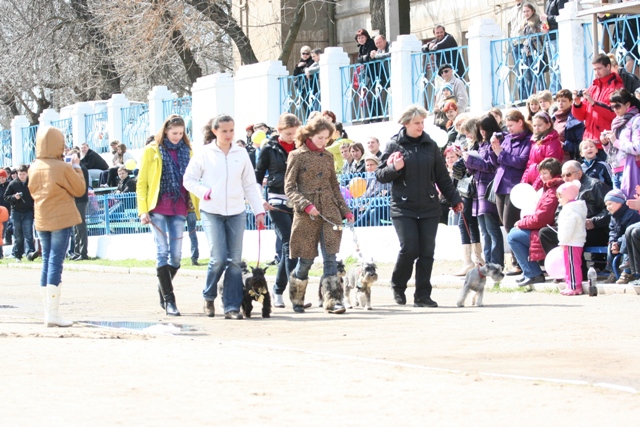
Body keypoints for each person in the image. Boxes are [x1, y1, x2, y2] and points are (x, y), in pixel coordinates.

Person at [376, 105, 463, 308]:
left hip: (429, 205)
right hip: (403, 206)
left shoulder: (430, 145)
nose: (421, 126)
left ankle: (423, 295)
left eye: (422, 122)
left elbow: (442, 176)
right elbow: (380, 175)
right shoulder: (394, 144)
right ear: (406, 123)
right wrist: (394, 168)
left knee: (427, 251)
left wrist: (455, 199)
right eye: (417, 123)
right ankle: (398, 285)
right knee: (409, 248)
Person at [184, 115, 265, 320]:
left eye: (231, 130)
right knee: (218, 258)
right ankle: (209, 296)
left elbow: (249, 184)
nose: (228, 135)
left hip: (237, 212)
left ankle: (231, 306)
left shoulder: (241, 153)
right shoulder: (204, 153)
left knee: (235, 261)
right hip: (212, 211)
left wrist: (258, 210)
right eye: (224, 131)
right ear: (215, 131)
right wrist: (204, 192)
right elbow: (188, 179)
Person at [285, 116, 354, 314]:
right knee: (306, 259)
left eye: (326, 138)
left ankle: (332, 300)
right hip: (306, 215)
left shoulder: (328, 157)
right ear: (309, 135)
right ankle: (297, 297)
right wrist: (305, 205)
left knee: (330, 257)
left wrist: (345, 210)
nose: (323, 142)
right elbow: (289, 188)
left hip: (329, 211)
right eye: (320, 138)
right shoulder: (296, 155)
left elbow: (334, 186)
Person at [137, 115, 199, 317]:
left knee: (177, 256)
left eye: (181, 133)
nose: (177, 136)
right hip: (158, 207)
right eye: (174, 133)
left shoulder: (188, 151)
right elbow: (142, 183)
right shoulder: (152, 150)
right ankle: (170, 301)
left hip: (180, 207)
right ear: (165, 131)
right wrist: (143, 210)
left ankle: (163, 286)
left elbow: (193, 179)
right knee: (162, 251)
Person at [27, 127, 86, 327]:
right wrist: (76, 167)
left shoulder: (33, 167)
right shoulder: (61, 167)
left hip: (41, 217)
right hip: (61, 217)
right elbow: (79, 189)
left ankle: (48, 311)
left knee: (46, 261)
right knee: (55, 261)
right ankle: (52, 313)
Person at [255, 113, 301, 309]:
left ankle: (277, 290)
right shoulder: (269, 148)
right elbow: (257, 175)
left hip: (298, 201)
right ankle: (294, 292)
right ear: (279, 130)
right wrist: (260, 200)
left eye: (295, 133)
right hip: (276, 201)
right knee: (289, 242)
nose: (292, 137)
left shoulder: (301, 147)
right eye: (288, 133)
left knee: (290, 247)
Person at [538, 160, 611, 274]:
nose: (565, 178)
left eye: (568, 174)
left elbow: (611, 209)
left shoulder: (595, 185)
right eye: (563, 175)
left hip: (596, 230)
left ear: (579, 173)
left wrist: (594, 222)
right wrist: (564, 224)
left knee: (573, 235)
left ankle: (578, 272)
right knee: (545, 233)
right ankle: (563, 270)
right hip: (574, 228)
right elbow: (558, 213)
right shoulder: (565, 189)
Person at [507, 158, 564, 287]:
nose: (542, 176)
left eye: (545, 173)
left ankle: (533, 273)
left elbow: (542, 218)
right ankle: (529, 272)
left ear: (554, 172)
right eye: (541, 173)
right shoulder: (549, 188)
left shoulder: (553, 190)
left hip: (549, 231)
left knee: (513, 237)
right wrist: (524, 221)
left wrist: (522, 223)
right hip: (545, 228)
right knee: (513, 232)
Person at [489, 109, 532, 276]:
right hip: (501, 184)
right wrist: (494, 148)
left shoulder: (527, 140)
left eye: (511, 125)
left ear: (520, 122)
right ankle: (517, 261)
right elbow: (496, 161)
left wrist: (501, 153)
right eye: (507, 126)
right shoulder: (507, 138)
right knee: (505, 224)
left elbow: (521, 162)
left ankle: (519, 262)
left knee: (510, 223)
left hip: (515, 186)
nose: (509, 129)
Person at [465, 114, 505, 268]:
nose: (482, 132)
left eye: (484, 129)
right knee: (484, 231)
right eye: (480, 129)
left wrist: (471, 161)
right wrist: (468, 161)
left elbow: (491, 166)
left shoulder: (494, 142)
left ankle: (496, 263)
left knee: (492, 229)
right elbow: (476, 169)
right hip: (478, 189)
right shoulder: (481, 144)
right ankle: (488, 262)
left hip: (488, 189)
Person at [572, 53, 624, 150]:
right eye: (595, 69)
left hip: (606, 142)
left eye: (599, 68)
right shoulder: (593, 87)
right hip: (589, 142)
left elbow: (615, 114)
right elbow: (581, 117)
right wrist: (577, 104)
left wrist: (593, 103)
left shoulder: (617, 87)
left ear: (608, 67)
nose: (597, 72)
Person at [453, 118, 484, 275]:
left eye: (468, 133)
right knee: (468, 222)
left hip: (472, 187)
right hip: (468, 187)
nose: (467, 136)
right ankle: (472, 259)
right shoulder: (472, 145)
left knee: (467, 222)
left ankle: (474, 260)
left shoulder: (478, 145)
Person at [600, 88, 640, 198]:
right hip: (615, 170)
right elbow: (614, 152)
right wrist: (606, 143)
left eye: (617, 106)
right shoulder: (616, 121)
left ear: (627, 104)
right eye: (612, 107)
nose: (615, 110)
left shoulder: (636, 120)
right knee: (617, 206)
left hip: (631, 169)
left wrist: (616, 141)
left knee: (630, 205)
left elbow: (637, 148)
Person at [555, 180, 587, 295]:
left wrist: (563, 240)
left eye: (561, 197)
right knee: (569, 264)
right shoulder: (573, 208)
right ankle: (570, 284)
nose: (559, 200)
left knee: (573, 265)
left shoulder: (570, 210)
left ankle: (575, 286)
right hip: (571, 241)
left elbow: (568, 227)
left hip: (572, 241)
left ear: (568, 196)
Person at [603, 189, 640, 284]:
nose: (608, 207)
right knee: (610, 245)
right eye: (606, 205)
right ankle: (613, 271)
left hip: (626, 240)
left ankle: (627, 272)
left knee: (627, 242)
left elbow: (628, 232)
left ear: (619, 203)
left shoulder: (631, 213)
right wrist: (613, 242)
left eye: (610, 204)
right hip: (619, 240)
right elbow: (612, 231)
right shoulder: (613, 216)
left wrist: (618, 243)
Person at [521, 112, 563, 191]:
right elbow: (529, 165)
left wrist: (535, 187)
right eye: (534, 125)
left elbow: (548, 168)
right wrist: (523, 183)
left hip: (545, 184)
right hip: (533, 181)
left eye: (539, 125)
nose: (536, 128)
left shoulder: (553, 142)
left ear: (548, 125)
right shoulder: (535, 141)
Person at [4, 164, 36, 262]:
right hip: (16, 211)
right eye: (20, 174)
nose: (22, 176)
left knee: (28, 233)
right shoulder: (13, 184)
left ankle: (30, 253)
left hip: (28, 211)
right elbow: (6, 197)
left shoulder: (31, 182)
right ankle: (17, 254)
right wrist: (14, 197)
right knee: (18, 234)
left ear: (27, 174)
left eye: (24, 174)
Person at [540, 0, 569, 94]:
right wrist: (543, 25)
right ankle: (555, 91)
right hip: (549, 37)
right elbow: (546, 20)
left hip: (558, 37)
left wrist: (547, 18)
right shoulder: (549, 2)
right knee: (552, 67)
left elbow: (563, 16)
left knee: (558, 66)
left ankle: (557, 91)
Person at [553, 89, 585, 161]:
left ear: (571, 102)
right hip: (555, 156)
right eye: (558, 101)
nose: (560, 103)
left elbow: (581, 144)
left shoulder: (576, 119)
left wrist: (565, 145)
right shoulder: (553, 118)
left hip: (570, 159)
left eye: (564, 101)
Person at [520, 3, 543, 98]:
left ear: (532, 11)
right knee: (528, 75)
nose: (526, 13)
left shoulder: (537, 19)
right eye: (524, 11)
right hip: (527, 51)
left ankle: (541, 94)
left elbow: (539, 32)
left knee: (538, 73)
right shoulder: (524, 22)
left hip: (536, 49)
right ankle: (530, 96)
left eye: (528, 11)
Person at [70, 147, 90, 261]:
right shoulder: (76, 168)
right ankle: (77, 251)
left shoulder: (81, 168)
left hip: (80, 200)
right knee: (76, 228)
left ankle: (83, 253)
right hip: (76, 200)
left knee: (80, 226)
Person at [367, 34, 391, 120]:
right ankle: (385, 117)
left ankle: (388, 116)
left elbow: (390, 55)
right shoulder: (379, 50)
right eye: (376, 43)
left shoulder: (391, 46)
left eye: (380, 42)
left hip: (393, 76)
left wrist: (376, 56)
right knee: (384, 99)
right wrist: (372, 56)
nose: (378, 45)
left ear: (385, 40)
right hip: (384, 78)